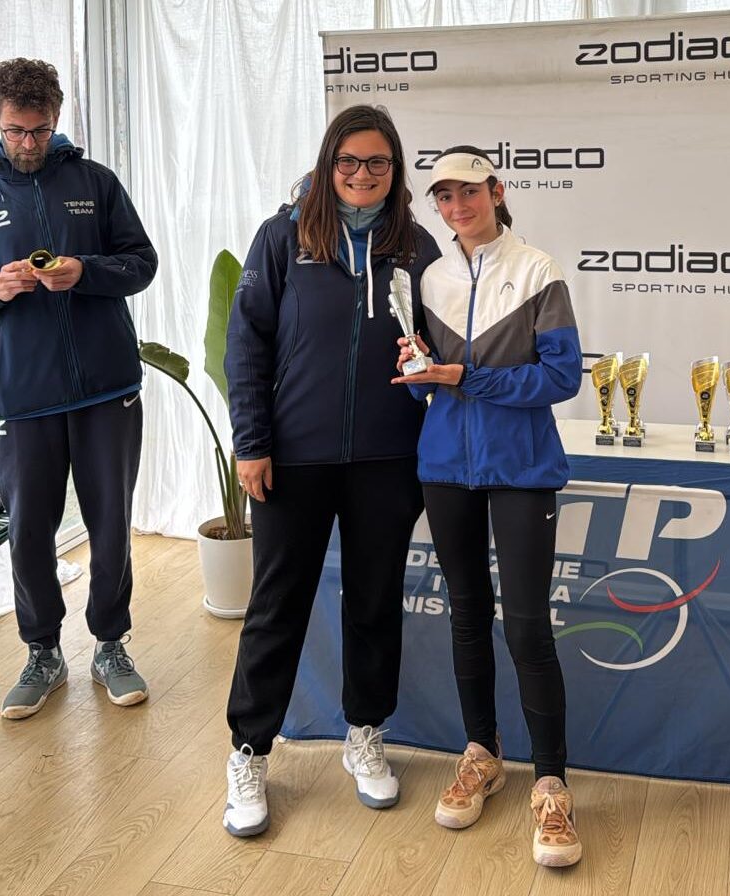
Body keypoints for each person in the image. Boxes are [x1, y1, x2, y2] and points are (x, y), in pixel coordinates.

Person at [222, 105, 440, 837]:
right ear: (327, 164)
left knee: (374, 601)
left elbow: (441, 347)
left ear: (395, 169)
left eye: (377, 162)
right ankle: (250, 751)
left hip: (388, 458)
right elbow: (247, 343)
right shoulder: (283, 237)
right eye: (348, 161)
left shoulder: (416, 247)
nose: (361, 174)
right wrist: (252, 442)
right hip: (293, 457)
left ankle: (365, 733)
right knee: (276, 605)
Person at [393, 146, 583, 867]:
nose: (457, 207)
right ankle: (482, 754)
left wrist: (466, 376)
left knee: (528, 626)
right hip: (446, 467)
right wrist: (420, 370)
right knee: (468, 614)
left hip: (522, 468)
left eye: (469, 192)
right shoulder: (430, 278)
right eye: (443, 196)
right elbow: (430, 383)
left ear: (496, 191)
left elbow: (561, 378)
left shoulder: (538, 270)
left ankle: (552, 785)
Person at [0, 58, 157, 720]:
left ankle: (110, 645)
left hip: (106, 388)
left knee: (111, 523)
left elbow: (141, 263)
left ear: (57, 118)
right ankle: (42, 652)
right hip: (22, 396)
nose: (27, 143)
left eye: (39, 130)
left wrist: (84, 271)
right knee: (29, 531)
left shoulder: (96, 182)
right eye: (15, 130)